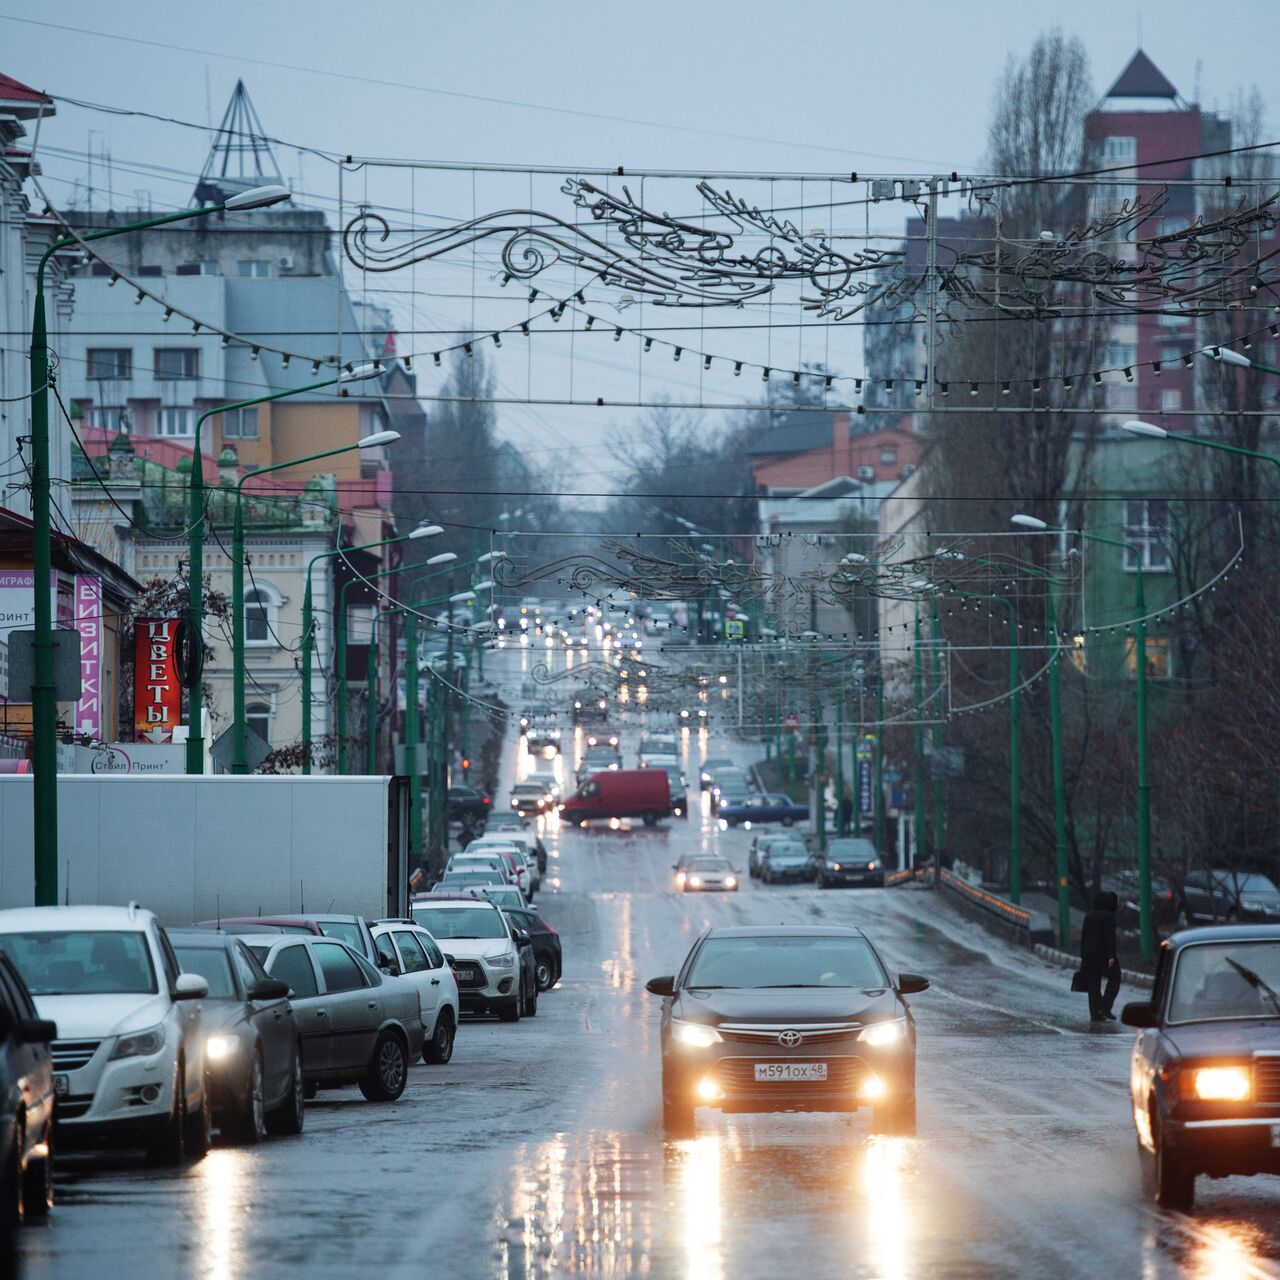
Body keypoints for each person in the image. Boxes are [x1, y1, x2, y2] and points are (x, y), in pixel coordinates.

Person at [1080, 890, 1120, 1023]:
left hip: (1088, 954)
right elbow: (1110, 938)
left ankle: (1095, 1013)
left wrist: (1083, 955)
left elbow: (1084, 936)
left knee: (1093, 983)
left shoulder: (1089, 915)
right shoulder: (1108, 916)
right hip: (1103, 955)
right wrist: (1111, 956)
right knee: (1115, 978)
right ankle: (1105, 1007)